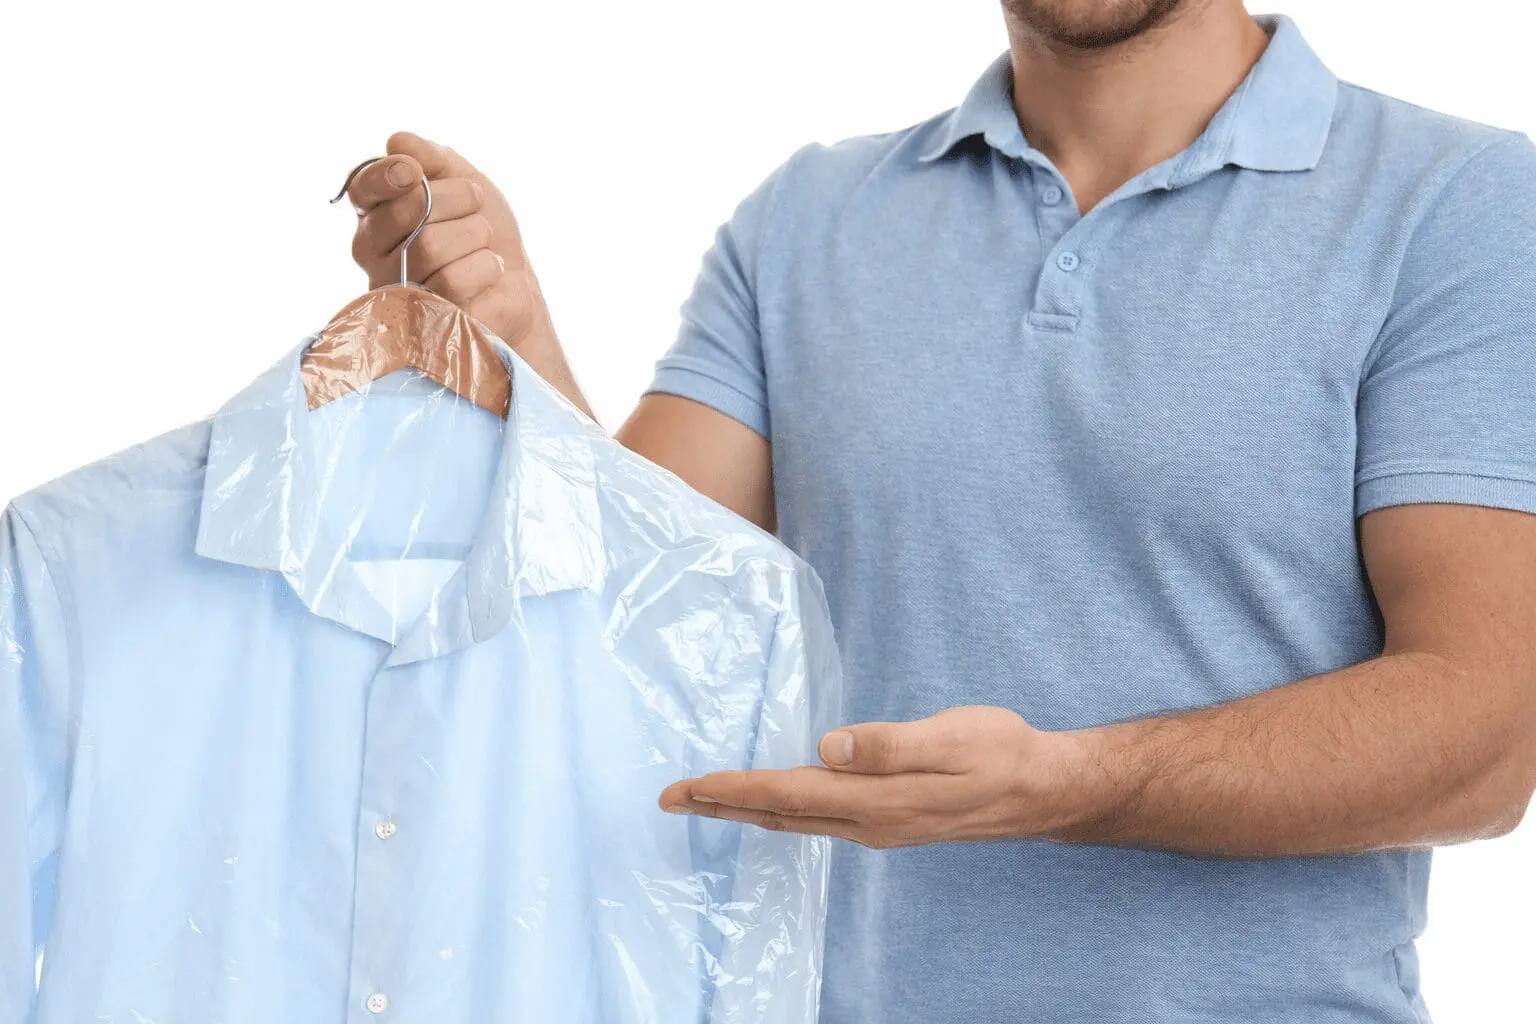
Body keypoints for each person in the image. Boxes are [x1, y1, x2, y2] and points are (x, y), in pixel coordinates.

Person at [340, 3, 1536, 1021]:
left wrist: (1071, 783)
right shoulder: (805, 219)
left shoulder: (1461, 204)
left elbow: (1489, 736)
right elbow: (632, 627)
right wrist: (518, 342)